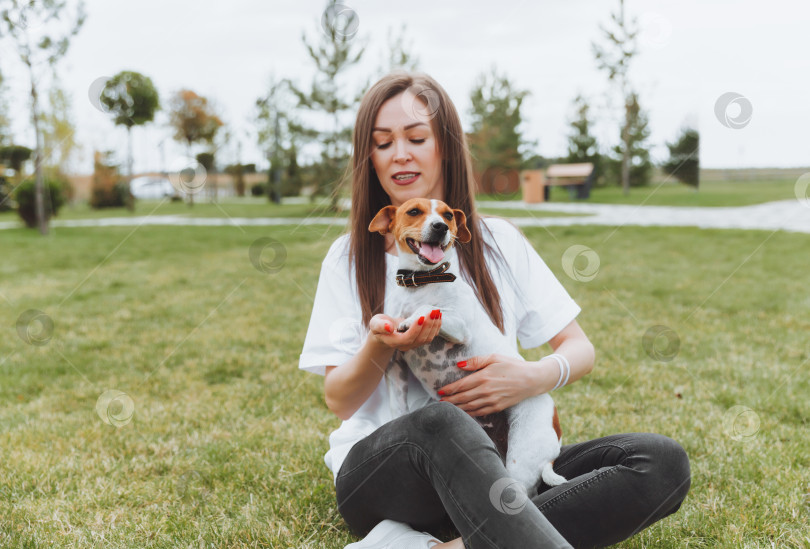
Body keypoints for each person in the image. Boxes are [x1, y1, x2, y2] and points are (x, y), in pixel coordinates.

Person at [298, 72, 691, 549]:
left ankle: (458, 545)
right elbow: (339, 399)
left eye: (417, 138)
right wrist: (382, 343)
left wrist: (533, 376)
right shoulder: (349, 256)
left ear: (445, 146)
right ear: (370, 159)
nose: (400, 153)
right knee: (443, 421)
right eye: (383, 144)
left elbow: (579, 347)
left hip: (499, 465)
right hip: (390, 477)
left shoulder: (498, 241)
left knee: (659, 461)